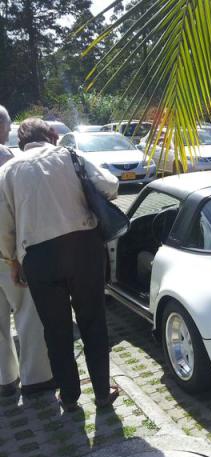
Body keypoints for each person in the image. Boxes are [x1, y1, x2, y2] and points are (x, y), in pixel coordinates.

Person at [0, 118, 119, 411]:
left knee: (56, 330)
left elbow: (4, 226)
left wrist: (12, 260)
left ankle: (69, 398)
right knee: (92, 322)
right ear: (51, 135)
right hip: (83, 249)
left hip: (38, 257)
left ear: (20, 142)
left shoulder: (8, 171)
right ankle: (102, 395)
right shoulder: (70, 155)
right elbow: (111, 185)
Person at [0, 107, 54, 397]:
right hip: (6, 252)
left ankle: (5, 379)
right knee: (27, 313)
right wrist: (12, 257)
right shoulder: (7, 159)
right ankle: (36, 377)